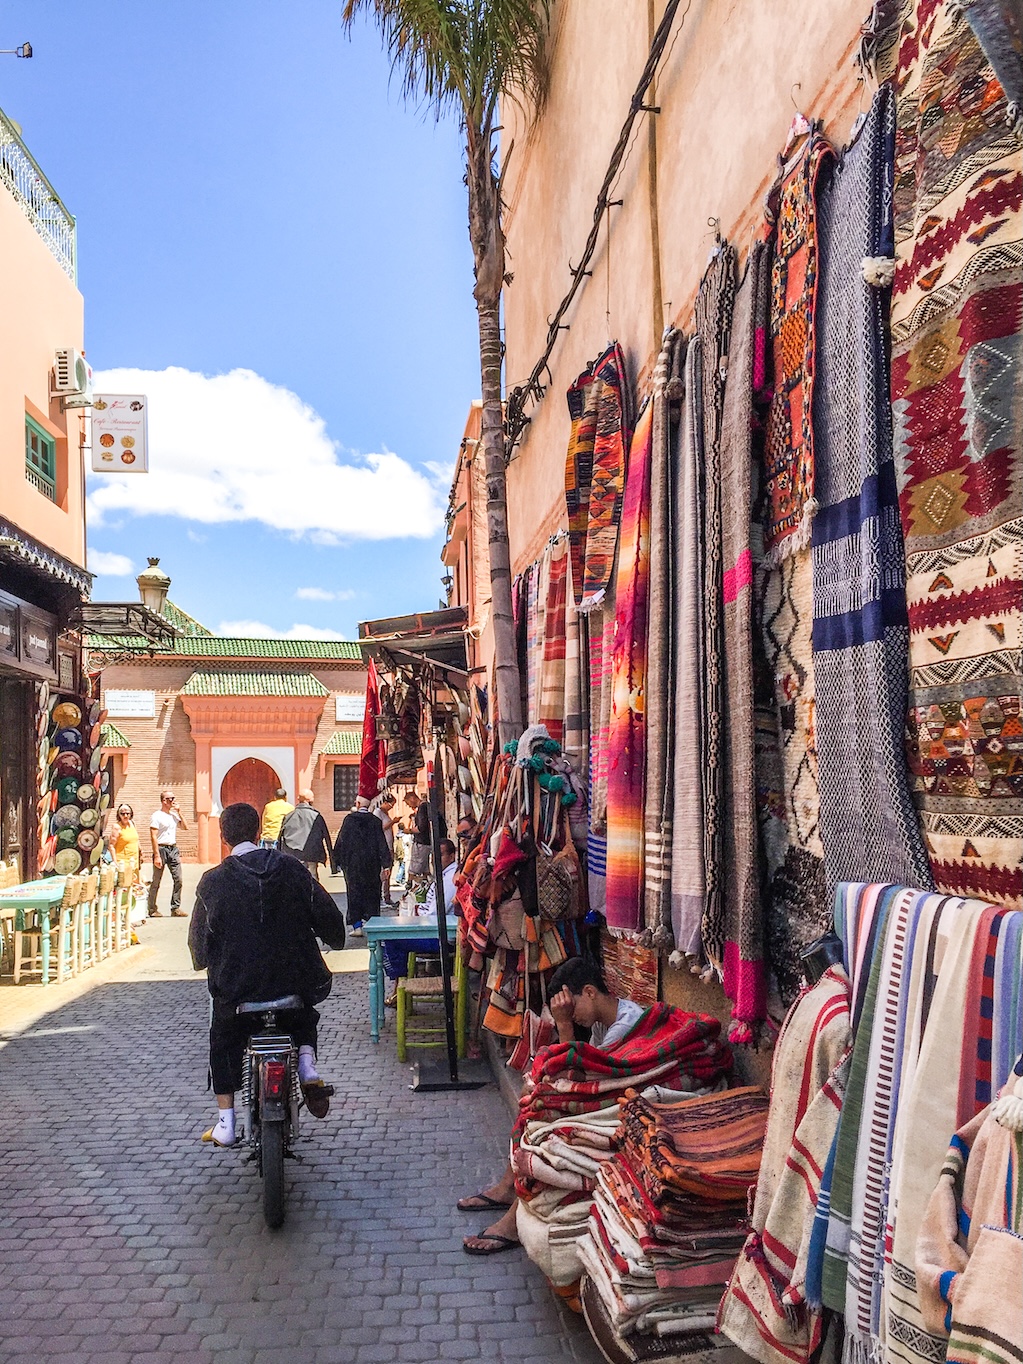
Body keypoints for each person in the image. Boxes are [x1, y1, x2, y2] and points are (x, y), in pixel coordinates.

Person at [459, 956, 644, 1255]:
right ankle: (509, 1189)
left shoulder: (622, 1028)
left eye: (573, 1005)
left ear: (590, 992)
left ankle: (511, 1218)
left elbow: (582, 1082)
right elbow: (584, 1076)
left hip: (627, 1105)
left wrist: (564, 1023)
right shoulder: (603, 1023)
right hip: (615, 1097)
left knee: (544, 1115)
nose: (572, 1013)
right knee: (535, 1095)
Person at [188, 801, 347, 1146]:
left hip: (238, 995)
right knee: (304, 1013)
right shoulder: (292, 870)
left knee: (223, 1039)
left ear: (223, 837)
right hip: (292, 987)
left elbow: (199, 948)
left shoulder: (211, 883)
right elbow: (331, 920)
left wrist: (207, 961)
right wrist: (333, 939)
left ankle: (226, 1123)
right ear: (259, 832)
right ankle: (307, 1064)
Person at [381, 838, 459, 1003]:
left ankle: (399, 987)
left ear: (452, 856)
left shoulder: (450, 879)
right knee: (392, 937)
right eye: (433, 856)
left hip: (441, 938)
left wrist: (417, 911)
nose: (435, 860)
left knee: (392, 940)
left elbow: (434, 914)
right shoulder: (444, 876)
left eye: (441, 855)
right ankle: (398, 986)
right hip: (435, 931)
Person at [332, 796, 392, 938]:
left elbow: (341, 841)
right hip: (372, 864)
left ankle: (357, 925)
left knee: (354, 894)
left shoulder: (349, 820)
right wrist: (386, 864)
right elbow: (381, 843)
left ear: (358, 804)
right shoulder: (375, 821)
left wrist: (337, 861)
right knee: (372, 893)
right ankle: (372, 924)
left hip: (353, 865)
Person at [148, 790, 188, 918]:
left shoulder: (173, 816)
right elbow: (153, 836)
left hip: (173, 849)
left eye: (173, 798)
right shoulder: (157, 815)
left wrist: (179, 811)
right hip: (161, 849)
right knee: (156, 881)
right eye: (170, 799)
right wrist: (156, 855)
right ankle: (152, 908)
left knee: (179, 879)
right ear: (164, 801)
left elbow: (185, 827)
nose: (172, 801)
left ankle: (175, 907)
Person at [278, 789, 334, 879]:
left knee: (296, 878)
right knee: (313, 877)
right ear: (309, 800)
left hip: (293, 854)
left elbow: (280, 838)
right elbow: (327, 839)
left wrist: (280, 858)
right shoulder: (316, 816)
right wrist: (333, 864)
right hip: (312, 854)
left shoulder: (288, 816)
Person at [406, 790, 446, 884]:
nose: (409, 806)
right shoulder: (428, 806)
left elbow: (421, 827)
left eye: (408, 803)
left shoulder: (422, 808)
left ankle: (412, 888)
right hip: (430, 841)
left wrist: (409, 831)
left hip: (422, 842)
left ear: (412, 798)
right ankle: (427, 886)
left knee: (415, 868)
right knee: (425, 869)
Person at [373, 792, 398, 907]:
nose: (391, 808)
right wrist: (393, 822)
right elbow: (379, 828)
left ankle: (387, 896)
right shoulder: (377, 813)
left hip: (389, 845)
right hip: (384, 847)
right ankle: (380, 897)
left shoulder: (384, 813)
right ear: (385, 803)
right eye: (391, 805)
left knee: (388, 872)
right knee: (383, 872)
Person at [109, 803, 141, 884]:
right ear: (119, 815)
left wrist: (141, 852)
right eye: (122, 814)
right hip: (123, 862)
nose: (125, 816)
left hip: (135, 861)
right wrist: (115, 862)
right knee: (125, 887)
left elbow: (136, 840)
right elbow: (111, 845)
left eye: (127, 813)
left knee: (135, 887)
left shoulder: (132, 824)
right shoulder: (117, 827)